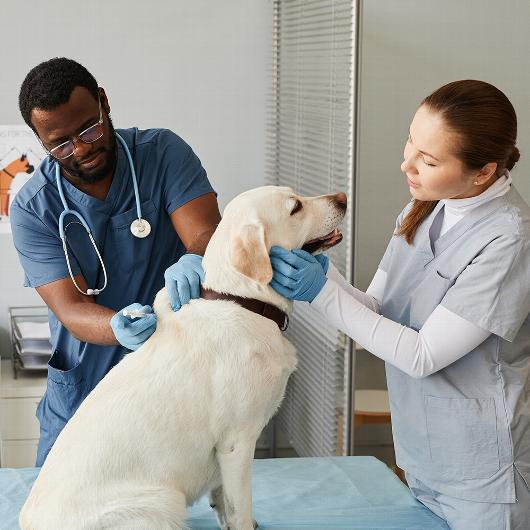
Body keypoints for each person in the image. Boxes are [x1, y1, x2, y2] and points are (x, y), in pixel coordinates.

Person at [269, 80, 530, 529]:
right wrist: (321, 273)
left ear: (484, 171)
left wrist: (323, 293)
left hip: (483, 474)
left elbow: (422, 354)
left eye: (428, 159)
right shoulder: (427, 206)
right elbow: (378, 311)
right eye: (412, 140)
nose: (406, 163)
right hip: (422, 457)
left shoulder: (508, 239)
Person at [10, 57, 221, 466]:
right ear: (41, 141)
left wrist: (195, 258)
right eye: (61, 144)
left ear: (104, 102)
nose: (82, 148)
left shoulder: (162, 154)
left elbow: (204, 234)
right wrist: (117, 327)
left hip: (173, 373)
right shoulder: (34, 208)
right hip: (85, 385)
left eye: (89, 127)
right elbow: (71, 309)